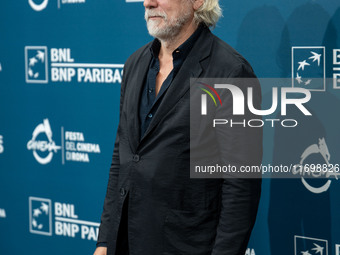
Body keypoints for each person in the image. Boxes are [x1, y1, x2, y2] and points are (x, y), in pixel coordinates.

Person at [94, 0, 263, 254]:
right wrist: (105, 241)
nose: (148, 3)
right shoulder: (134, 65)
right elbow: (122, 158)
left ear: (197, 2)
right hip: (126, 243)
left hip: (185, 245)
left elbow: (240, 186)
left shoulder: (231, 72)